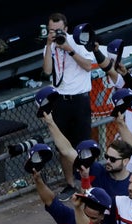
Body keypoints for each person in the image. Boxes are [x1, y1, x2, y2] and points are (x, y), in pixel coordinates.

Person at [40, 112, 132, 224]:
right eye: (107, 157)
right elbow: (67, 151)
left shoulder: (131, 185)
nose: (108, 161)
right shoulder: (98, 170)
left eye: (113, 159)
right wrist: (50, 122)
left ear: (125, 161)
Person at [42, 12, 96, 199]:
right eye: (51, 30)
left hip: (80, 99)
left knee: (84, 145)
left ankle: (88, 184)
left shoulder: (78, 40)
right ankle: (70, 184)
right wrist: (49, 45)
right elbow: (47, 70)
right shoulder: (50, 46)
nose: (55, 33)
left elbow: (88, 66)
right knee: (62, 146)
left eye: (58, 30)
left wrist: (69, 49)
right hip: (60, 101)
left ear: (66, 29)